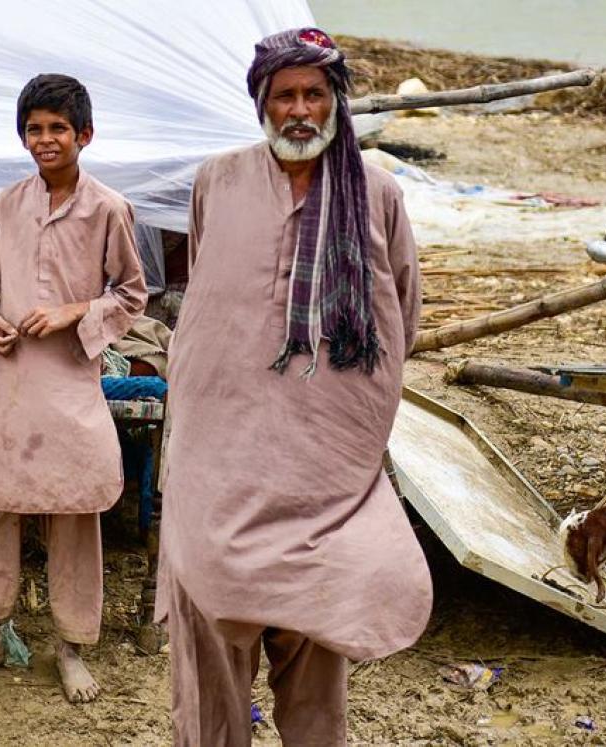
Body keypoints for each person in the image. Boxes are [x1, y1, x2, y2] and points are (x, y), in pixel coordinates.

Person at [156, 27, 433, 745]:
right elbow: (204, 301)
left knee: (316, 670)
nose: (300, 109)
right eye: (285, 95)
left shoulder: (377, 194)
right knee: (212, 648)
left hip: (324, 476)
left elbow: (402, 314)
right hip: (220, 465)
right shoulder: (217, 180)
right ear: (262, 104)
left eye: (315, 93)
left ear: (336, 101)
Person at [0, 73, 147, 703]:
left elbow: (133, 294)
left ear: (84, 134)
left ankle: (69, 647)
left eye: (58, 128)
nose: (45, 139)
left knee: (76, 509)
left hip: (69, 382)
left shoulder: (109, 208)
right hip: (8, 380)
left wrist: (73, 313)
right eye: (35, 128)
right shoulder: (7, 204)